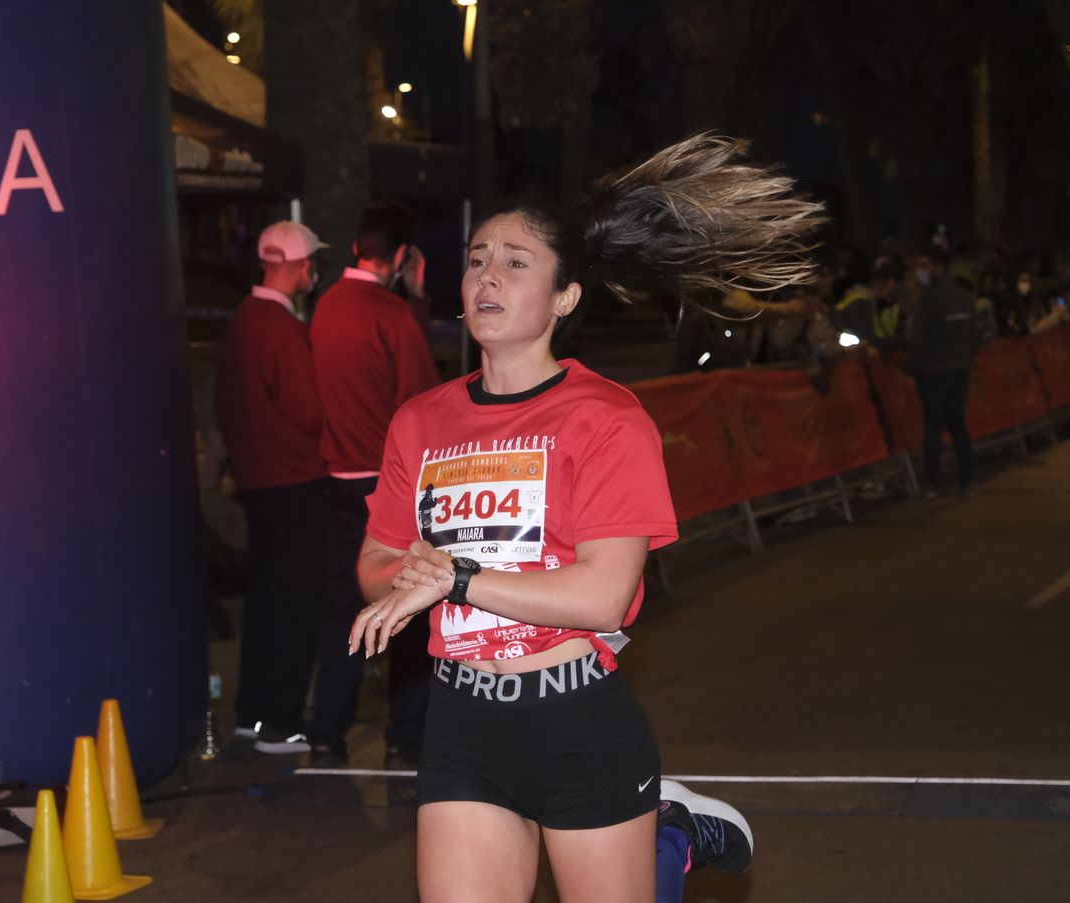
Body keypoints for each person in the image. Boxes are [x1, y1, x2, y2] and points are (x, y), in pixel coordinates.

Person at [346, 135, 814, 902]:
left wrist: (455, 577)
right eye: (474, 258)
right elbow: (375, 564)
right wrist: (411, 575)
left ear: (565, 298)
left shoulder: (606, 417)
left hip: (575, 721)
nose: (486, 275)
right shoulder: (419, 421)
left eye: (515, 261)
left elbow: (602, 595)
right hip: (463, 719)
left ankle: (669, 835)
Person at [308, 200, 441, 768]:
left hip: (335, 476)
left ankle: (326, 729)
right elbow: (425, 405)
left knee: (343, 605)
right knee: (406, 605)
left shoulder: (325, 306)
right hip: (388, 484)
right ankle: (406, 735)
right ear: (403, 256)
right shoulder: (391, 316)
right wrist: (416, 296)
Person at [215, 220, 330, 755]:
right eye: (311, 264)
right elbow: (310, 411)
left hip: (259, 482)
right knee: (293, 606)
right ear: (300, 265)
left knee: (264, 604)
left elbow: (224, 404)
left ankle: (251, 715)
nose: (312, 272)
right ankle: (277, 722)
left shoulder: (241, 320)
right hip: (296, 481)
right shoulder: (281, 329)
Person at [910, 244, 979, 498]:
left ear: (938, 267)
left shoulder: (928, 298)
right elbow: (974, 336)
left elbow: (917, 339)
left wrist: (912, 368)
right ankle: (967, 481)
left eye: (924, 265)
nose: (920, 271)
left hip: (933, 371)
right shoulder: (963, 295)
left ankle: (932, 483)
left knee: (933, 427)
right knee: (958, 424)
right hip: (959, 369)